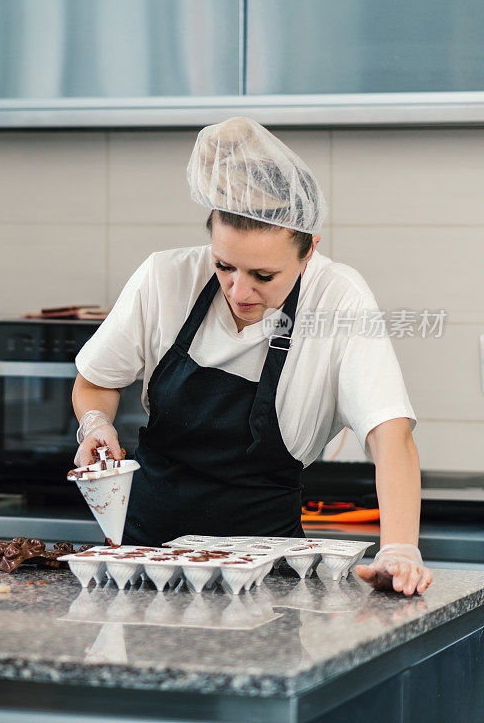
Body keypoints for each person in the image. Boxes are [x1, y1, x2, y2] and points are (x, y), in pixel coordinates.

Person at [72, 117, 432, 597]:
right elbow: (96, 380)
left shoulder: (338, 298)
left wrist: (400, 548)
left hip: (268, 578)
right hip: (146, 563)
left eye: (264, 274)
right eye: (224, 265)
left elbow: (390, 432)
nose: (240, 291)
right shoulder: (165, 278)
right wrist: (96, 425)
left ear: (308, 252)